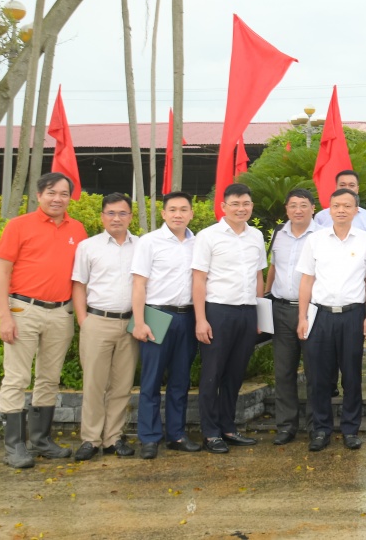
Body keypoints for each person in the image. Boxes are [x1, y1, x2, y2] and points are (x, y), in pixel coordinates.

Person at [0, 172, 86, 468]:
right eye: (51, 193)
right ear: (39, 195)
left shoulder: (77, 229)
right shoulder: (18, 225)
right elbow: (2, 273)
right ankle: (14, 446)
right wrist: (5, 316)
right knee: (17, 377)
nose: (57, 199)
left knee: (49, 377)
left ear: (70, 197)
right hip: (23, 310)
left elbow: (81, 276)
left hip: (61, 312)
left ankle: (41, 440)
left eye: (63, 194)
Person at [297, 189, 366, 452]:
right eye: (336, 205)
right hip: (320, 315)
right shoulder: (315, 240)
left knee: (352, 375)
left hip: (353, 315)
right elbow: (306, 280)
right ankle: (321, 429)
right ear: (329, 209)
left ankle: (351, 429)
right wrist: (302, 317)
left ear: (356, 210)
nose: (341, 210)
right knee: (319, 376)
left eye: (347, 206)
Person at [192, 183, 267, 454]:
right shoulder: (208, 236)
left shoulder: (256, 235)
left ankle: (228, 427)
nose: (241, 209)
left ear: (251, 206)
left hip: (247, 312)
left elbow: (259, 276)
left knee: (235, 374)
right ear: (223, 207)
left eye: (245, 203)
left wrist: (260, 316)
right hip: (218, 312)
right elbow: (198, 279)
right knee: (213, 374)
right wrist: (201, 319)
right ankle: (210, 433)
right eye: (235, 204)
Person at [129, 191, 199, 459]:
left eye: (183, 209)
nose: (178, 214)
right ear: (164, 213)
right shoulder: (149, 242)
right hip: (156, 316)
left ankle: (176, 435)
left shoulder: (198, 243)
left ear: (191, 213)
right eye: (172, 210)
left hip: (187, 317)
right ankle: (149, 438)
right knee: (151, 381)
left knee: (180, 381)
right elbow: (138, 284)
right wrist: (139, 322)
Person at [70, 192, 139, 461]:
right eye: (111, 213)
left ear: (130, 216)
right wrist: (83, 321)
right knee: (94, 384)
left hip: (130, 324)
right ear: (102, 216)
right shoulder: (88, 247)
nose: (116, 218)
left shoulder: (141, 246)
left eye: (122, 213)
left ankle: (113, 438)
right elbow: (79, 285)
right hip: (97, 322)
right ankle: (90, 439)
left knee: (122, 385)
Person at [264, 189, 319, 446]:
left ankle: (316, 426)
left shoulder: (322, 235)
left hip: (312, 311)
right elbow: (273, 267)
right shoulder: (278, 234)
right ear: (286, 209)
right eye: (293, 205)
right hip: (281, 310)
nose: (298, 210)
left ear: (313, 208)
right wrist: (265, 298)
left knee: (315, 370)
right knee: (284, 370)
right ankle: (286, 426)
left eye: (303, 205)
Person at [314, 169, 366, 235]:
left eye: (351, 185)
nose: (347, 188)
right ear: (336, 188)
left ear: (357, 189)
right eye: (342, 185)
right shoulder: (321, 217)